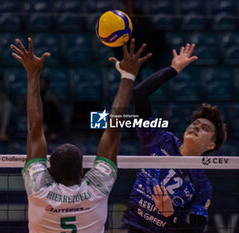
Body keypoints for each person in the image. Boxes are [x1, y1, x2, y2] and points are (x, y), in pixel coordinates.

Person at [10, 37, 151, 233]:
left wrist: (32, 75)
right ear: (82, 173)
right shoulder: (96, 190)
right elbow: (112, 134)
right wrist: (127, 76)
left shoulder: (39, 189)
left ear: (49, 172)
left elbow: (34, 130)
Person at [122, 43, 227, 233]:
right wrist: (174, 69)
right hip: (133, 228)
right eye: (195, 123)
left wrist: (170, 215)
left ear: (211, 144)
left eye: (204, 128)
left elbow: (194, 232)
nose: (196, 127)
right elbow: (139, 93)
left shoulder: (202, 186)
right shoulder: (160, 138)